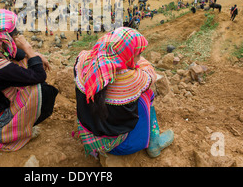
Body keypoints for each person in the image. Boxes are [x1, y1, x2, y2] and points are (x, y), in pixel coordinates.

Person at [73, 27, 174, 158]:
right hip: (120, 146)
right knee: (147, 93)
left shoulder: (83, 60)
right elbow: (151, 73)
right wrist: (134, 61)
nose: (139, 58)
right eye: (137, 54)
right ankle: (154, 142)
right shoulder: (129, 78)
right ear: (127, 55)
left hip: (88, 135)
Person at [0, 9, 58, 152]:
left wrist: (36, 55)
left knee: (22, 62)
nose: (18, 35)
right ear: (6, 37)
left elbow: (15, 53)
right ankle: (12, 131)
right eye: (15, 33)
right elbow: (40, 76)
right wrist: (29, 48)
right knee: (42, 91)